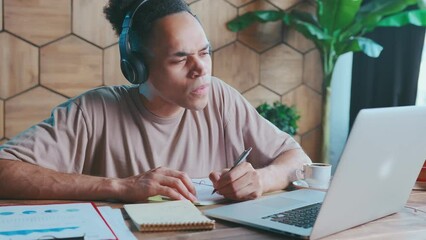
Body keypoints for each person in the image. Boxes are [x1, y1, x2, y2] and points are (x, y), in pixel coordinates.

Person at [0, 0, 311, 203]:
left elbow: (299, 160)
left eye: (204, 53)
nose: (200, 68)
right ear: (137, 68)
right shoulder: (93, 111)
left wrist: (262, 178)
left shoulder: (220, 97)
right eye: (180, 59)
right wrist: (121, 187)